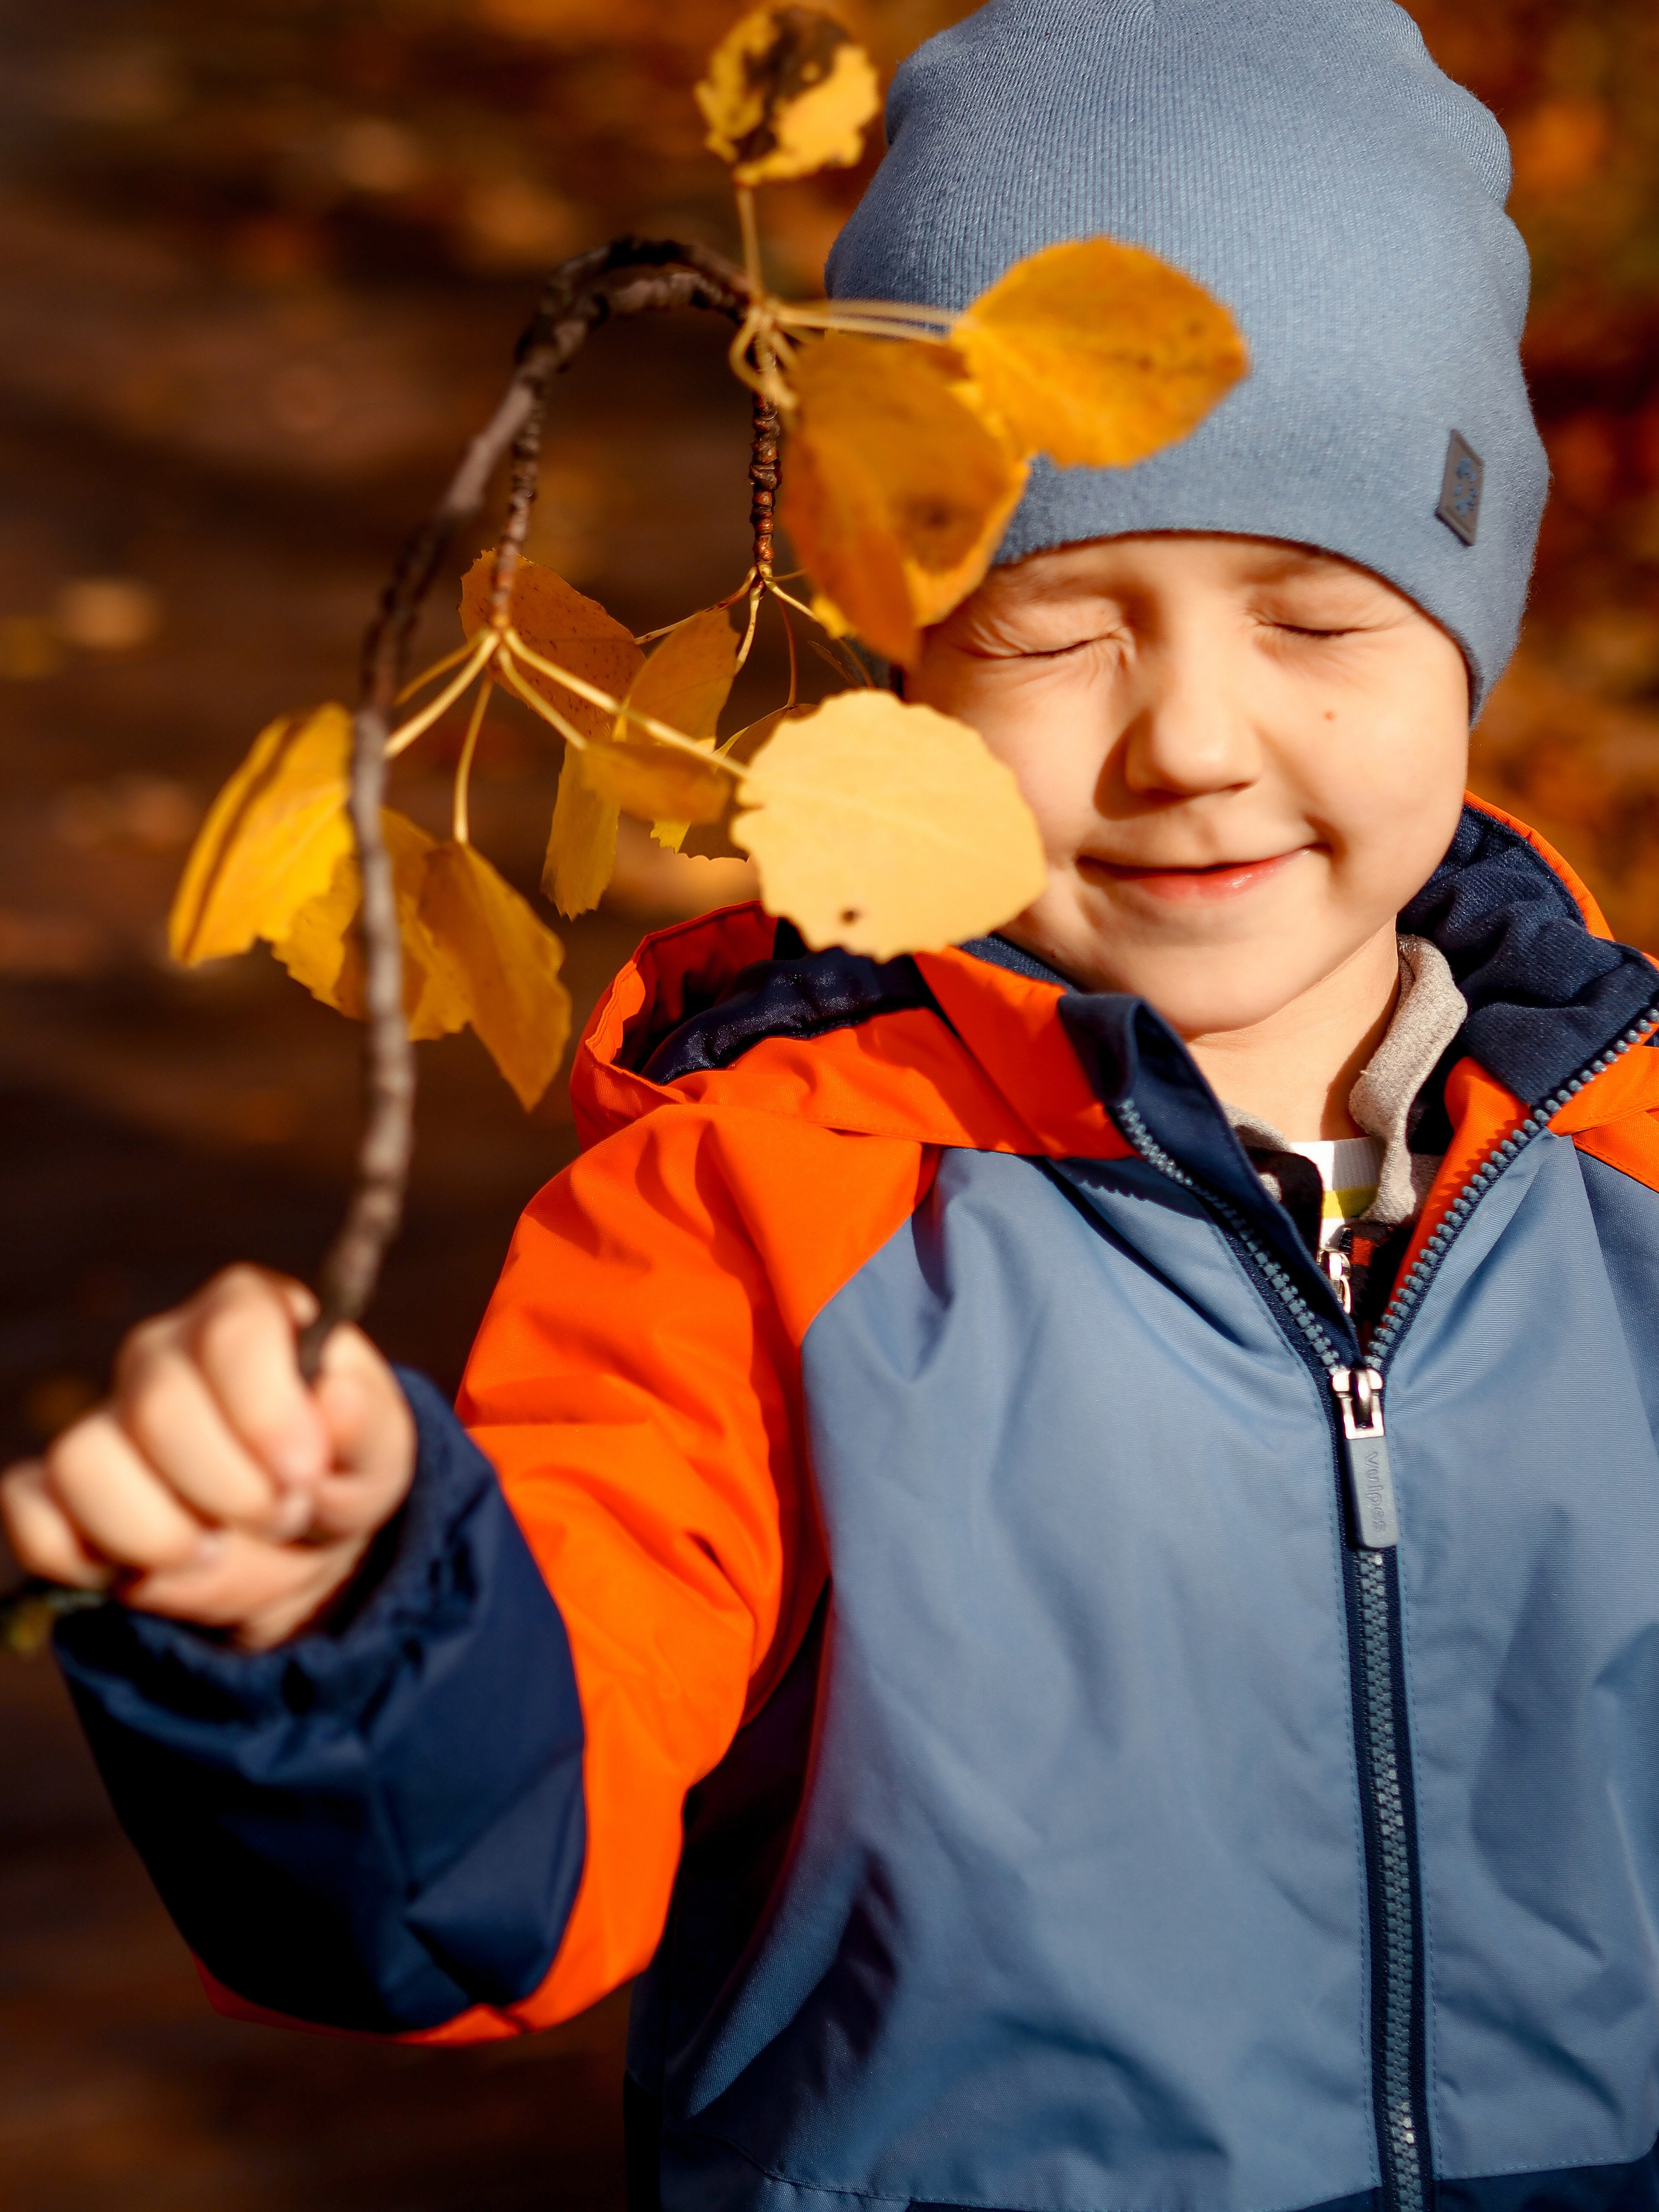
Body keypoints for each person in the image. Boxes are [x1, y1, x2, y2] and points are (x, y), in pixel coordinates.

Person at [9, 6, 1659, 2211]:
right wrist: (337, 1630)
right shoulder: (750, 1220)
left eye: (1310, 618)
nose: (1192, 741)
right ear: (906, 670)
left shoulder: (1631, 1178)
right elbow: (498, 1863)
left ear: (1474, 628)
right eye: (1062, 629)